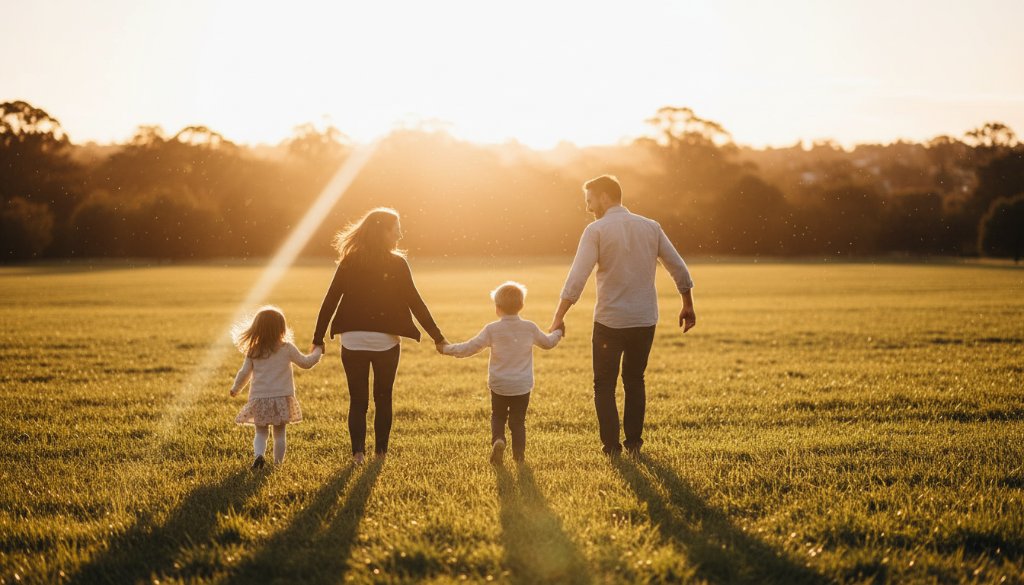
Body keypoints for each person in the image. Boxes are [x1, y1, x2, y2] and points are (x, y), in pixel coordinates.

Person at [549, 175, 696, 456]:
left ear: (605, 197)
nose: (589, 209)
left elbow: (577, 277)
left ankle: (612, 447)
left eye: (590, 201)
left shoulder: (597, 231)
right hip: (644, 319)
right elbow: (677, 266)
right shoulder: (651, 227)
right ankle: (634, 444)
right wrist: (687, 302)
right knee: (634, 379)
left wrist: (559, 316)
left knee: (604, 384)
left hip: (610, 322)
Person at [312, 207, 447, 464]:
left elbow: (330, 301)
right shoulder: (397, 263)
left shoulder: (349, 261)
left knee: (358, 400)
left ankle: (358, 454)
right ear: (384, 232)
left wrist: (318, 339)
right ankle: (380, 454)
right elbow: (415, 302)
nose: (400, 232)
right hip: (385, 343)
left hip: (352, 341)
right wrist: (438, 338)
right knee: (383, 398)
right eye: (396, 228)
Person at [439, 281, 563, 464]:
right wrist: (558, 332)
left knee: (498, 416)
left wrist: (446, 349)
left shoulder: (492, 329)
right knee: (518, 422)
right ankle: (519, 458)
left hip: (499, 384)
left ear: (497, 308)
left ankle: (498, 439)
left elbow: (469, 348)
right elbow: (548, 343)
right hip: (522, 385)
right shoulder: (529, 327)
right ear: (522, 306)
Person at [230, 306, 323, 469]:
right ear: (281, 328)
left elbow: (244, 372)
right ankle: (277, 465)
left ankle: (259, 455)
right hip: (282, 398)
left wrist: (236, 388)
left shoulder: (254, 350)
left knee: (261, 432)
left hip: (259, 399)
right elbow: (306, 363)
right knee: (279, 434)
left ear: (257, 329)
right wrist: (318, 351)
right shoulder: (286, 348)